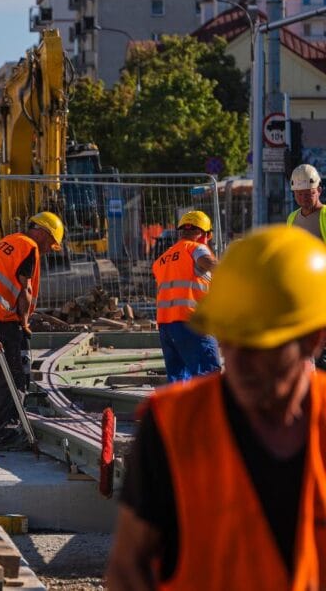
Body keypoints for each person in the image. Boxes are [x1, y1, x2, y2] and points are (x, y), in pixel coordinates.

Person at [107, 225, 326, 590]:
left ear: (313, 340)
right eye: (228, 336)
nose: (237, 359)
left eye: (258, 344)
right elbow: (127, 569)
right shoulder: (172, 426)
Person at [0, 211, 63, 443]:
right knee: (13, 378)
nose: (48, 249)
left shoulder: (6, 242)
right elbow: (25, 290)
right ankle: (8, 432)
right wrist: (24, 322)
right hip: (5, 322)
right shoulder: (29, 247)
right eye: (51, 243)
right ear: (43, 233)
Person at [151, 210, 220, 382]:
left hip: (166, 327)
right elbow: (211, 264)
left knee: (178, 382)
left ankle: (180, 410)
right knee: (208, 378)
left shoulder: (162, 259)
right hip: (193, 323)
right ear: (205, 234)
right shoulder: (196, 248)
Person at [287, 163, 326, 242]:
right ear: (294, 193)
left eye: (308, 193)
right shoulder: (292, 218)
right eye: (299, 193)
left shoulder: (324, 215)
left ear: (319, 190)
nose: (304, 197)